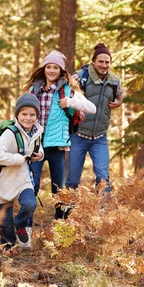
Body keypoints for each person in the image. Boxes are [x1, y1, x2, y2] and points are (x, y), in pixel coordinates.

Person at [23, 50, 96, 219]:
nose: (51, 71)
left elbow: (92, 108)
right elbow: (23, 115)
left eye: (55, 67)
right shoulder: (34, 90)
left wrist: (71, 102)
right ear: (44, 69)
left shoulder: (67, 91)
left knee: (58, 190)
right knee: (31, 186)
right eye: (48, 67)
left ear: (61, 71)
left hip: (57, 147)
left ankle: (60, 226)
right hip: (36, 146)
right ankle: (25, 223)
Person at [65, 43, 124, 198]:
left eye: (107, 62)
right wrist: (76, 109)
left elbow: (120, 94)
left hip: (100, 137)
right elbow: (65, 94)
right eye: (101, 62)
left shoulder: (114, 80)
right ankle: (64, 215)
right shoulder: (80, 76)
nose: (104, 65)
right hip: (78, 135)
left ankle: (102, 216)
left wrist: (119, 102)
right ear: (93, 62)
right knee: (72, 179)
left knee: (103, 177)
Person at [0, 93, 44, 249]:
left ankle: (19, 223)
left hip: (23, 178)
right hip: (3, 179)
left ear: (37, 116)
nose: (28, 118)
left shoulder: (37, 131)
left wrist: (40, 155)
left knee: (30, 204)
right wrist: (17, 158)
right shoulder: (9, 132)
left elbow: (37, 147)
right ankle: (7, 251)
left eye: (32, 114)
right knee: (6, 226)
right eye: (24, 114)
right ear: (17, 115)